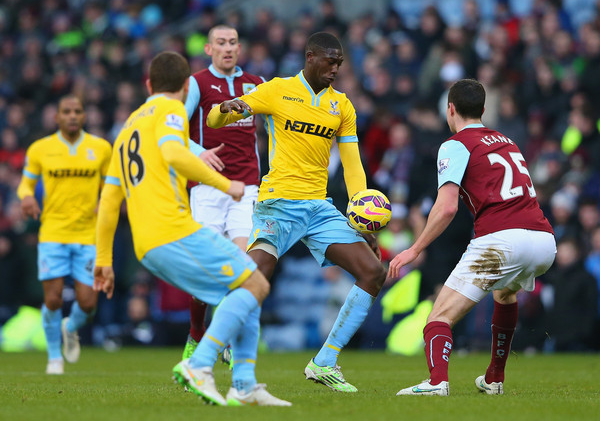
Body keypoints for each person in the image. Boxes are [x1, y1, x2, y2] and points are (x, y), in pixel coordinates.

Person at [92, 51, 290, 407]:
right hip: (174, 231)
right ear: (186, 87)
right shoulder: (169, 110)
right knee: (254, 284)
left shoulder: (128, 127)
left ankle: (244, 385)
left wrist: (103, 259)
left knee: (250, 283)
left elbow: (108, 200)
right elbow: (173, 152)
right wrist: (224, 183)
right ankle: (199, 364)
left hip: (147, 244)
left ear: (148, 84)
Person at [207, 32, 387, 392]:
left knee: (372, 272)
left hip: (319, 208)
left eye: (340, 62)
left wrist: (361, 215)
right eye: (330, 61)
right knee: (258, 273)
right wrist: (225, 109)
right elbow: (218, 119)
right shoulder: (277, 90)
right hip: (279, 202)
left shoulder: (342, 106)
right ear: (310, 57)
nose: (336, 68)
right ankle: (222, 339)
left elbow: (353, 168)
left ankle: (325, 362)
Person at [388, 79, 556, 396]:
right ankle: (494, 379)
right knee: (505, 295)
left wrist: (414, 248)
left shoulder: (455, 144)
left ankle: (437, 382)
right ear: (482, 109)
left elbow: (447, 207)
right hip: (544, 240)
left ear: (450, 109)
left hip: (502, 240)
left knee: (438, 316)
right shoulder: (507, 140)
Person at [181, 24, 265, 361]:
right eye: (221, 43)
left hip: (246, 186)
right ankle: (196, 332)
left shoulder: (255, 85)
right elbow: (174, 130)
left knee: (241, 266)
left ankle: (225, 339)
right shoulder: (198, 84)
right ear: (208, 48)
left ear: (239, 48)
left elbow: (270, 134)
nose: (227, 48)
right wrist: (197, 151)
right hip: (207, 186)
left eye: (232, 42)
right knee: (206, 271)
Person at [16, 95, 112, 375]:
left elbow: (111, 186)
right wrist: (26, 198)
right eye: (66, 112)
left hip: (86, 235)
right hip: (53, 233)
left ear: (84, 116)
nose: (72, 116)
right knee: (54, 299)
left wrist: (105, 201)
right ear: (56, 117)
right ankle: (54, 357)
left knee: (88, 303)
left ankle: (69, 327)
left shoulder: (100, 148)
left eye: (77, 111)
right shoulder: (40, 149)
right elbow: (25, 185)